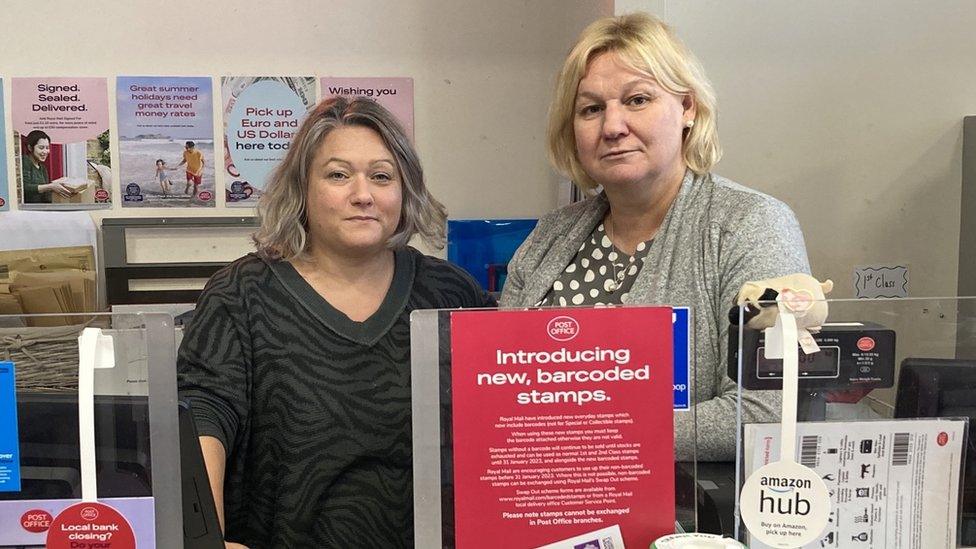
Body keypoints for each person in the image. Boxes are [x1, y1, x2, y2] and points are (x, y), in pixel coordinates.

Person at [177, 97, 495, 548]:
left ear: (405, 192)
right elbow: (203, 413)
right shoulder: (242, 293)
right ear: (302, 188)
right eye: (338, 174)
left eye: (382, 176)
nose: (362, 194)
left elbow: (497, 424)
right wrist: (205, 541)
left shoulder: (450, 294)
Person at [500, 13, 810, 462]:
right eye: (591, 109)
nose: (612, 126)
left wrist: (595, 437)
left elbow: (766, 409)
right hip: (545, 506)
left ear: (687, 108)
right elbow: (496, 394)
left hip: (688, 522)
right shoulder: (550, 235)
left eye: (637, 99)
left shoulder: (750, 224)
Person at [21, 130, 71, 203]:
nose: (45, 152)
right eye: (41, 148)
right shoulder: (25, 161)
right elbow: (24, 188)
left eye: (47, 148)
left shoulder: (42, 168)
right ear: (30, 148)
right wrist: (50, 186)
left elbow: (46, 195)